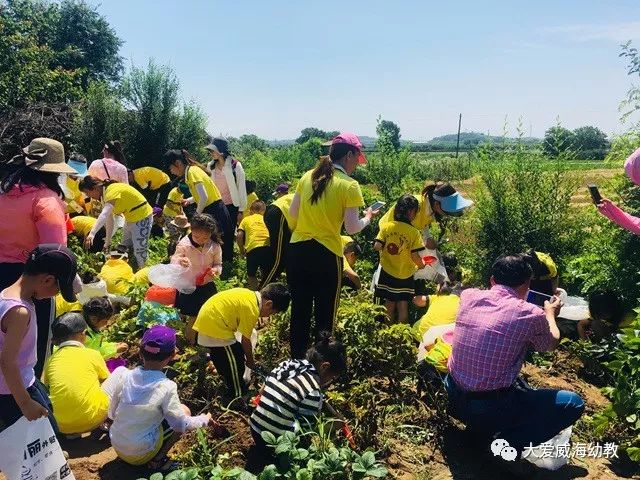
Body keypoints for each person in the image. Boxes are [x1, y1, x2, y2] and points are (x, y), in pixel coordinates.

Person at [445, 255, 584, 461]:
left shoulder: (468, 295)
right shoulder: (529, 313)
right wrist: (550, 315)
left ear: (492, 280)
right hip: (488, 409)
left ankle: (479, 433)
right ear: (528, 283)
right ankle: (503, 445)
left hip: (452, 395)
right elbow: (550, 344)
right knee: (573, 403)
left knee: (513, 383)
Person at [287, 133, 376, 358]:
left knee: (300, 309)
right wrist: (368, 217)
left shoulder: (308, 176)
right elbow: (353, 227)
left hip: (297, 250)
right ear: (348, 155)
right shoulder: (349, 185)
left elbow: (293, 213)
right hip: (326, 254)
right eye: (357, 158)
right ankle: (320, 363)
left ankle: (297, 360)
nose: (358, 164)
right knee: (325, 312)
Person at [0, 138, 78, 378]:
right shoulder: (45, 200)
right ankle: (25, 397)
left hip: (2, 277)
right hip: (34, 279)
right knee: (33, 343)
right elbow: (55, 253)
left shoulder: (4, 192)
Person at [102, 326, 212, 470]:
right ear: (172, 355)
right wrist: (204, 419)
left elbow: (111, 413)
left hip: (116, 443)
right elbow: (180, 425)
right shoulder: (167, 386)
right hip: (140, 454)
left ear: (140, 353)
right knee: (184, 411)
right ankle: (157, 461)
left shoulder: (124, 375)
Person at [0, 244, 78, 433]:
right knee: (43, 437)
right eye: (58, 290)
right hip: (14, 391)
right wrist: (25, 403)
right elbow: (7, 361)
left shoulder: (6, 295)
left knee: (48, 427)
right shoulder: (19, 311)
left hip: (24, 380)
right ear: (47, 280)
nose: (56, 295)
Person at [246, 332, 347, 473]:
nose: (330, 382)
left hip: (255, 429)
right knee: (305, 442)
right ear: (324, 367)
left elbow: (263, 391)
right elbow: (309, 431)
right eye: (332, 377)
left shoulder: (288, 364)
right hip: (275, 444)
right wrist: (336, 424)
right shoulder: (312, 390)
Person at [193, 284, 290, 400]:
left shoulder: (248, 295)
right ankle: (238, 395)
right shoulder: (252, 309)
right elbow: (245, 340)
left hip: (210, 325)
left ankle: (228, 383)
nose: (269, 316)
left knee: (234, 354)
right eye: (272, 313)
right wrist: (250, 360)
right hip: (216, 331)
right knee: (235, 363)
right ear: (268, 304)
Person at [43, 313, 109, 436]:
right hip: (93, 420)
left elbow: (47, 386)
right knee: (120, 375)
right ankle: (109, 422)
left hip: (60, 425)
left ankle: (72, 431)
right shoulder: (92, 354)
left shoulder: (51, 359)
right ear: (82, 334)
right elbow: (106, 381)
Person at [164, 150, 232, 256]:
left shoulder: (192, 172)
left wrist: (196, 215)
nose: (172, 172)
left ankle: (220, 266)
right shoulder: (190, 172)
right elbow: (201, 195)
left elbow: (204, 197)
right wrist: (190, 200)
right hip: (213, 207)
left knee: (217, 241)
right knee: (214, 240)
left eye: (171, 168)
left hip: (214, 209)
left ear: (177, 163)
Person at [79, 175, 153, 268]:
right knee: (125, 245)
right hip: (130, 218)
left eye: (87, 193)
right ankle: (128, 267)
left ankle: (144, 272)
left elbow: (104, 214)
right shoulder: (105, 196)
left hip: (142, 217)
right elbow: (109, 219)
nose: (88, 196)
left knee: (140, 249)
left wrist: (92, 233)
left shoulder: (111, 191)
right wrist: (108, 242)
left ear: (93, 189)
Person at [171, 213, 222, 344]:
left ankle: (198, 338)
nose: (201, 240)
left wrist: (216, 270)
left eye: (205, 237)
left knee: (205, 313)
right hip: (189, 285)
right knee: (192, 315)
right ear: (191, 230)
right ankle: (189, 343)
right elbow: (174, 259)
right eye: (196, 236)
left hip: (206, 285)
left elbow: (218, 264)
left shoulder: (214, 246)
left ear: (211, 234)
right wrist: (180, 261)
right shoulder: (184, 244)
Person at [374, 194, 426, 323]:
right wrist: (422, 264)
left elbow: (376, 246)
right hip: (405, 274)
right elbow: (415, 256)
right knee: (403, 306)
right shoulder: (414, 233)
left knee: (389, 305)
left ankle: (386, 335)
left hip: (387, 272)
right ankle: (401, 339)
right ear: (411, 212)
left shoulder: (387, 227)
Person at [378, 182, 473, 250]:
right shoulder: (413, 207)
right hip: (388, 235)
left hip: (401, 238)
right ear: (436, 204)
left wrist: (427, 237)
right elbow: (400, 229)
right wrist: (419, 244)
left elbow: (423, 222)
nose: (448, 214)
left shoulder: (431, 208)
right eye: (448, 211)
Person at [206, 137, 247, 262]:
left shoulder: (235, 165)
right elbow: (208, 186)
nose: (211, 153)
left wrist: (241, 210)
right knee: (214, 232)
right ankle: (215, 259)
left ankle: (228, 260)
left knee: (228, 234)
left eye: (213, 150)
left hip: (231, 205)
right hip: (216, 204)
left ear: (221, 151)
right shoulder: (210, 166)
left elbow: (241, 188)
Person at [557, 290, 631, 342]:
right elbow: (581, 324)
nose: (602, 317)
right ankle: (604, 345)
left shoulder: (627, 318)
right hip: (611, 335)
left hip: (626, 337)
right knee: (595, 323)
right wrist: (586, 343)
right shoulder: (597, 315)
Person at [259, 188, 297, 288]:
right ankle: (262, 290)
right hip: (279, 214)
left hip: (279, 214)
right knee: (279, 257)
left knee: (287, 254)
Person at [237, 200, 271, 291]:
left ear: (251, 210)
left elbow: (239, 236)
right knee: (266, 273)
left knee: (251, 275)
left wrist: (241, 250)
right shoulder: (267, 218)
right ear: (264, 210)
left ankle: (255, 293)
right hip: (268, 247)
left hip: (253, 248)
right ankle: (265, 292)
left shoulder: (246, 219)